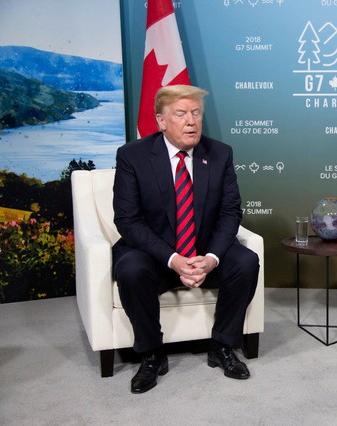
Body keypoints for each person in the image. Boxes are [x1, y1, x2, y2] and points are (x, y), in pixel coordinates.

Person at [112, 85, 259, 394]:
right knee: (130, 269)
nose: (191, 121)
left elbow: (231, 212)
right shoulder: (132, 156)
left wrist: (212, 258)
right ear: (161, 121)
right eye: (181, 114)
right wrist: (173, 259)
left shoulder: (220, 153)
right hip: (156, 255)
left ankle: (221, 346)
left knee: (246, 262)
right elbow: (128, 221)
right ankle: (152, 354)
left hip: (203, 251)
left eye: (196, 114)